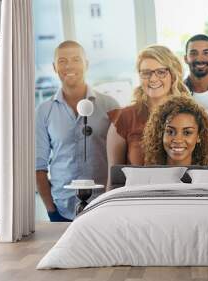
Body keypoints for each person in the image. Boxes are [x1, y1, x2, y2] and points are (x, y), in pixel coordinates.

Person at [35, 40, 120, 221]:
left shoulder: (110, 106)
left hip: (104, 207)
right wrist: (51, 210)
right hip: (62, 210)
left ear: (86, 64)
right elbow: (38, 166)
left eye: (76, 59)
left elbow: (120, 161)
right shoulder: (44, 111)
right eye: (62, 61)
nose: (69, 66)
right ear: (54, 67)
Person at [107, 45, 190, 170]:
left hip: (181, 189)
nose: (153, 79)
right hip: (136, 190)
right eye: (146, 73)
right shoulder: (124, 118)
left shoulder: (191, 115)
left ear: (173, 75)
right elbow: (114, 178)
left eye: (161, 72)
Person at [142, 96, 208, 165]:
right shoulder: (148, 176)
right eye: (170, 132)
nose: (178, 140)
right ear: (160, 134)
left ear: (199, 136)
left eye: (187, 133)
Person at [184, 34, 208, 109]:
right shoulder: (176, 92)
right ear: (185, 58)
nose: (200, 59)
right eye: (194, 53)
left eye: (206, 53)